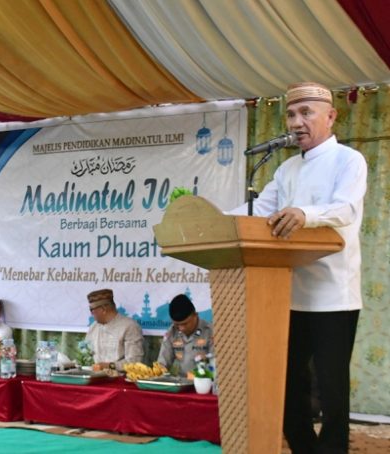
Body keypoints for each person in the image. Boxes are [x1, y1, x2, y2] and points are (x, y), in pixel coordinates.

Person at [230, 82, 367, 454]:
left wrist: (305, 214)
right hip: (288, 294)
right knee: (289, 385)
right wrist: (212, 222)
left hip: (333, 295)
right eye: (291, 114)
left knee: (332, 389)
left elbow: (345, 209)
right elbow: (257, 213)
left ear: (331, 116)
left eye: (306, 113)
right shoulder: (286, 168)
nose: (296, 122)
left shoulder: (349, 160)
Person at [84, 289, 144, 371]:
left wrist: (109, 366)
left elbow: (135, 361)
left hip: (121, 377)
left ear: (103, 309)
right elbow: (87, 355)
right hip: (95, 376)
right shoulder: (93, 327)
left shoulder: (130, 326)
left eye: (92, 310)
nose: (91, 314)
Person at [157, 294, 213, 377]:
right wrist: (160, 372)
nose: (181, 328)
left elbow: (217, 364)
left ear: (195, 315)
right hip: (182, 382)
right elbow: (162, 364)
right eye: (177, 324)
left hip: (206, 381)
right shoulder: (172, 332)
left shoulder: (210, 332)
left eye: (185, 323)